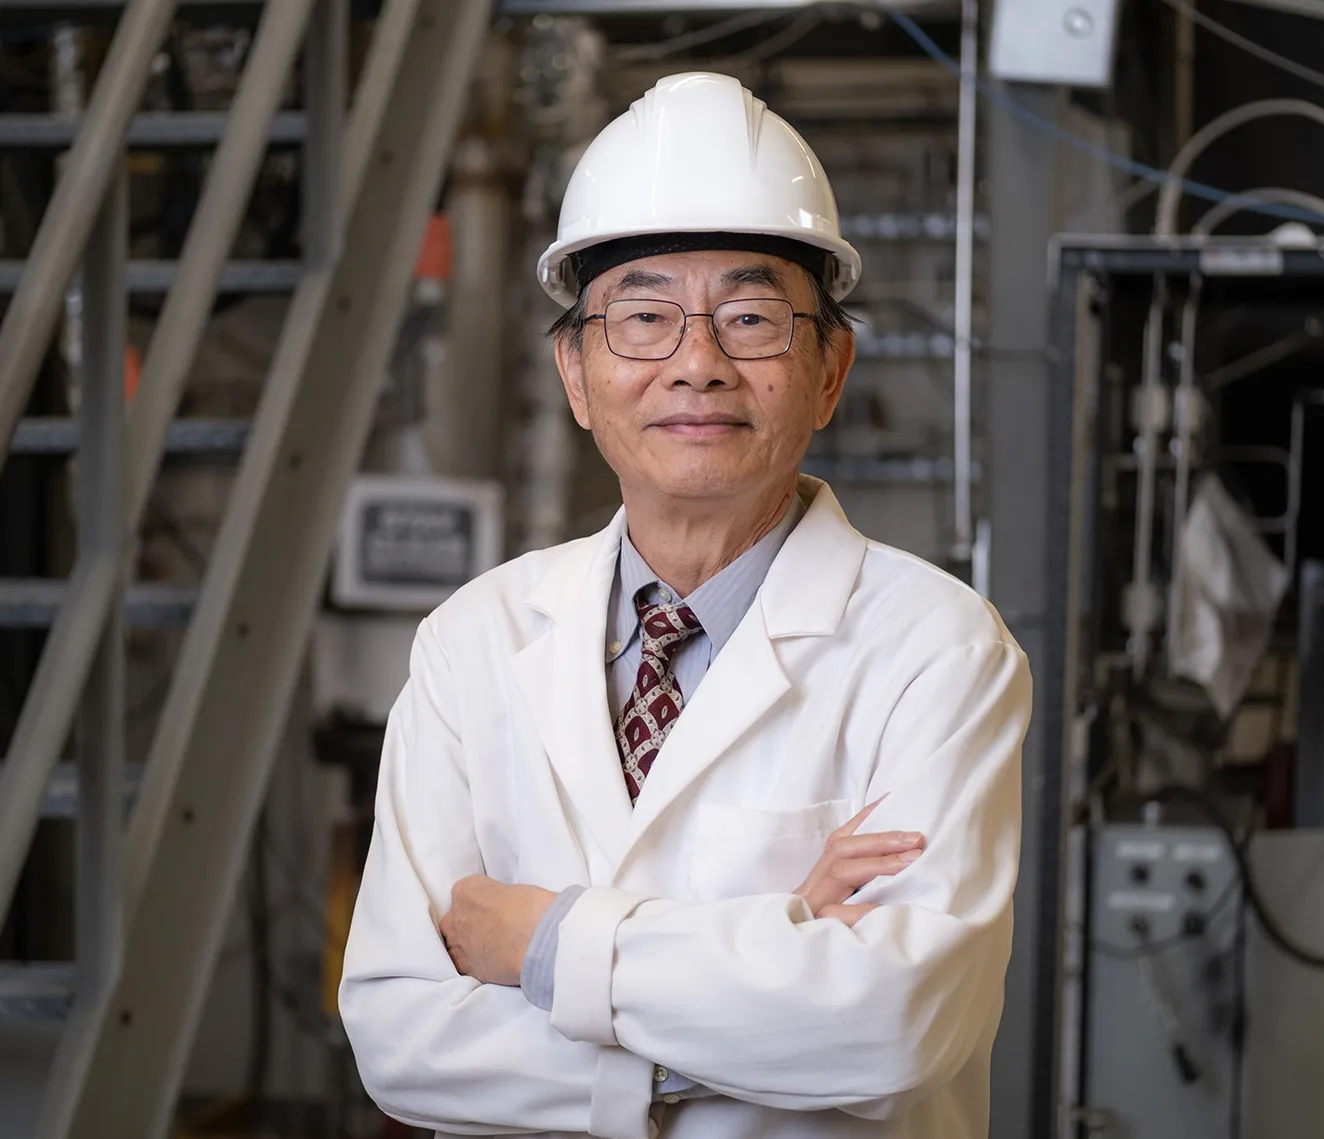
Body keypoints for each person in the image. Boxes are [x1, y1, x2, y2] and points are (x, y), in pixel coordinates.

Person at [339, 72, 1031, 1139]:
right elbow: (399, 1038)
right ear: (575, 373)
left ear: (829, 368)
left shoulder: (937, 649)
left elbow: (895, 1026)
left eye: (750, 317)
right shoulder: (473, 640)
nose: (696, 364)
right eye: (644, 317)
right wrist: (767, 966)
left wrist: (542, 944)